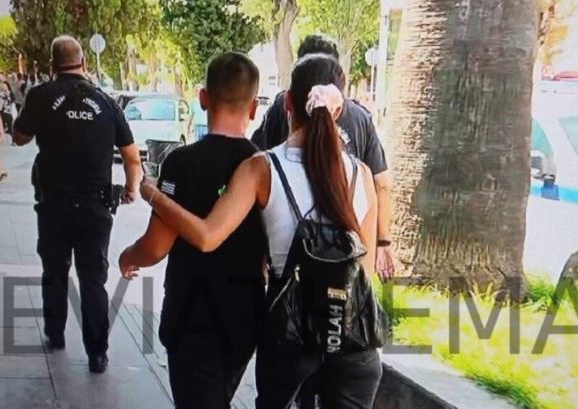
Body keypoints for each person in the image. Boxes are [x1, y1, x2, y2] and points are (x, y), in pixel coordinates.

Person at [142, 54, 382, 409]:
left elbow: (207, 237)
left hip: (291, 341)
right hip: (353, 343)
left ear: (287, 103)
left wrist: (153, 195)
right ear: (339, 109)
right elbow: (365, 271)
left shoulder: (262, 167)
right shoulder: (361, 175)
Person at [118, 52, 266, 409]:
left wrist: (128, 256)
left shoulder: (181, 163)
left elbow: (156, 246)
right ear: (253, 108)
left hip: (192, 316)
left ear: (202, 98)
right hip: (244, 316)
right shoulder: (263, 166)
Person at [13, 35, 142, 374]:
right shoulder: (107, 102)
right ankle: (97, 354)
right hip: (96, 208)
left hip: (53, 205)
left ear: (52, 66)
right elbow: (132, 157)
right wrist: (131, 188)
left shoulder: (41, 96)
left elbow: (19, 137)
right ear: (84, 63)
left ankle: (55, 334)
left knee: (55, 271)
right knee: (93, 280)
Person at [252, 34, 395, 283]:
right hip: (341, 293)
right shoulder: (360, 159)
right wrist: (383, 241)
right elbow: (382, 183)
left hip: (286, 288)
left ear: (289, 102)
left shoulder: (267, 161)